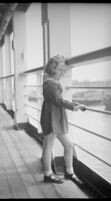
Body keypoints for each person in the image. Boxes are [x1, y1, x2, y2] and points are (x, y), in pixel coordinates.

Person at [40, 55, 86, 185]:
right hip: (51, 119)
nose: (63, 72)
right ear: (52, 69)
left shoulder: (52, 82)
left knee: (68, 144)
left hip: (57, 118)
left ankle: (69, 172)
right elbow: (59, 100)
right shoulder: (49, 84)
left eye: (64, 70)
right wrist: (74, 107)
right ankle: (48, 174)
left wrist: (74, 104)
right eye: (60, 69)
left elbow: (59, 100)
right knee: (48, 146)